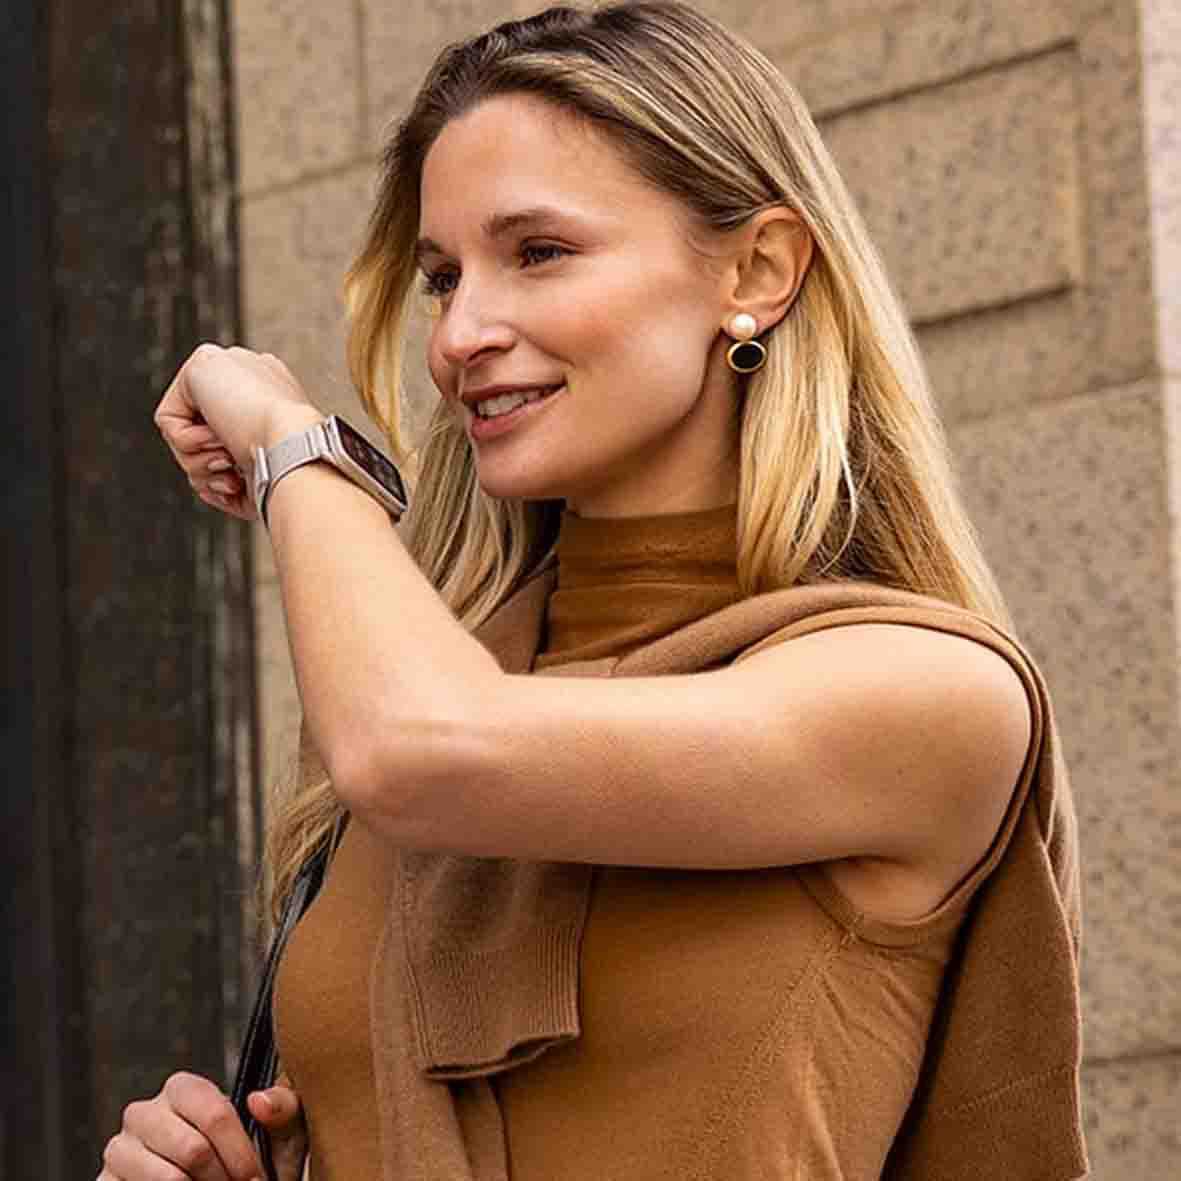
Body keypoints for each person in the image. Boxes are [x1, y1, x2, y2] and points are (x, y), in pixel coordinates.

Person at [100, 3, 1086, 1179]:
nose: (460, 332)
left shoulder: (929, 693)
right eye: (441, 276)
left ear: (756, 269)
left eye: (538, 252)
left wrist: (295, 449)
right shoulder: (433, 682)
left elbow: (419, 750)